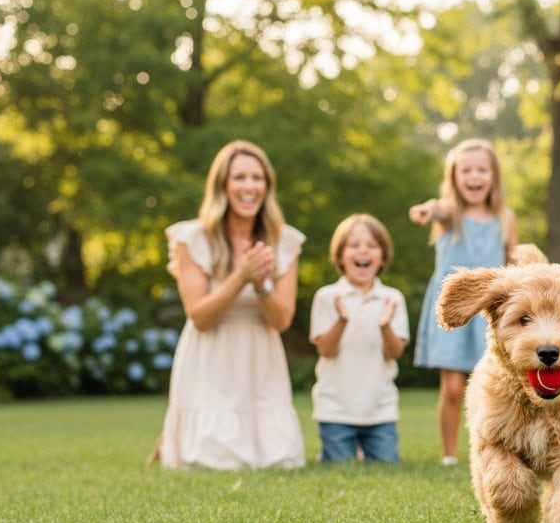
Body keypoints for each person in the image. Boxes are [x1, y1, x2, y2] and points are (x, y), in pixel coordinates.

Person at [151, 140, 307, 470]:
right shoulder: (192, 239)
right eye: (240, 177)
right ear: (223, 185)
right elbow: (199, 317)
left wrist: (262, 284)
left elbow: (282, 321)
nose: (249, 186)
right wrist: (241, 277)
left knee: (281, 462)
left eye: (257, 178)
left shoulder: (285, 241)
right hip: (210, 355)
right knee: (211, 462)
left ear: (267, 186)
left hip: (260, 357)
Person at [409, 138, 518, 466]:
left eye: (481, 170)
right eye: (465, 170)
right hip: (454, 308)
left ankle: (492, 448)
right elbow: (437, 208)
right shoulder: (450, 213)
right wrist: (428, 209)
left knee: (494, 383)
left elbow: (513, 259)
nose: (474, 177)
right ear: (454, 177)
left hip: (488, 308)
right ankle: (450, 455)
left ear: (493, 176)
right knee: (454, 388)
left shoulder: (504, 217)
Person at [309, 214, 410, 463]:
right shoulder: (327, 297)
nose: (362, 251)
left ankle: (363, 449)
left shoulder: (392, 298)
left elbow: (394, 353)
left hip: (380, 411)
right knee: (338, 467)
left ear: (382, 256)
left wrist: (385, 326)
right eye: (354, 245)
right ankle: (331, 451)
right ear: (340, 255)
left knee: (386, 467)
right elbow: (325, 350)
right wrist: (342, 321)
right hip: (336, 411)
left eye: (371, 246)